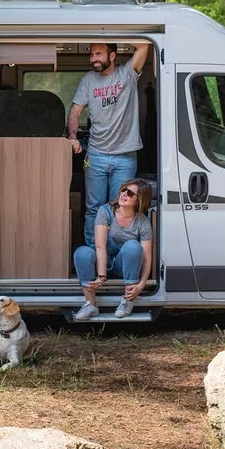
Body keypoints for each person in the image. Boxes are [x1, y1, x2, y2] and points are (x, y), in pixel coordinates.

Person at [66, 40, 152, 246]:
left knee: (120, 208)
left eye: (98, 53)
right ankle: (92, 253)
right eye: (91, 54)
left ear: (112, 56)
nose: (93, 58)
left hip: (125, 157)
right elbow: (75, 111)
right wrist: (72, 136)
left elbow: (144, 47)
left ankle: (113, 256)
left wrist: (112, 28)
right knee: (94, 209)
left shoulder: (127, 74)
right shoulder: (88, 80)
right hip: (95, 155)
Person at [73, 179, 154, 319]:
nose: (123, 194)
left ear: (139, 200)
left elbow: (147, 256)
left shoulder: (143, 222)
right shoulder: (105, 211)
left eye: (129, 193)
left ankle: (127, 301)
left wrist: (141, 285)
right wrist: (101, 277)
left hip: (124, 267)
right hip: (104, 262)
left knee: (133, 246)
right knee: (82, 253)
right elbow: (100, 246)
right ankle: (90, 304)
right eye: (123, 190)